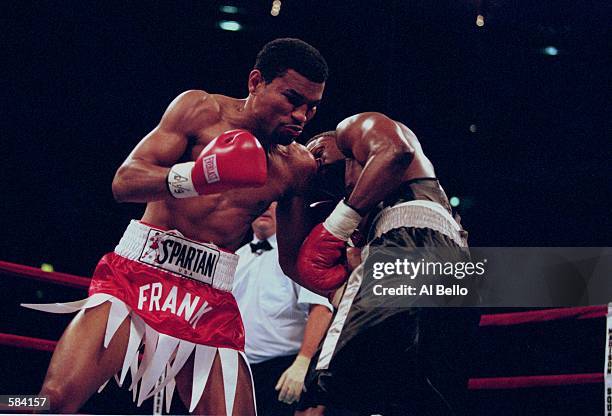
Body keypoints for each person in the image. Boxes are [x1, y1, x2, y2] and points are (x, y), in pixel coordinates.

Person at [21, 38, 328, 415]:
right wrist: (198, 177)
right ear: (255, 82)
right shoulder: (199, 110)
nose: (300, 115)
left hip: (210, 297)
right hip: (138, 275)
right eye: (291, 98)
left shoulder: (297, 167)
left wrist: (343, 247)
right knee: (50, 401)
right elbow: (124, 182)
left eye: (311, 108)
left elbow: (293, 261)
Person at [277, 112, 478, 415]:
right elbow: (294, 262)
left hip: (410, 246)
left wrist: (338, 225)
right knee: (413, 398)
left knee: (321, 396)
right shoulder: (340, 204)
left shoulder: (355, 131)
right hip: (455, 271)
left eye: (317, 149)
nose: (314, 160)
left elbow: (395, 152)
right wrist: (295, 184)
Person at [232, 202, 333, 415]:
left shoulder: (296, 253)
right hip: (240, 369)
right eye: (261, 203)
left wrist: (303, 362)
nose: (266, 208)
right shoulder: (236, 258)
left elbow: (321, 309)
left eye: (273, 204)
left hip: (284, 369)